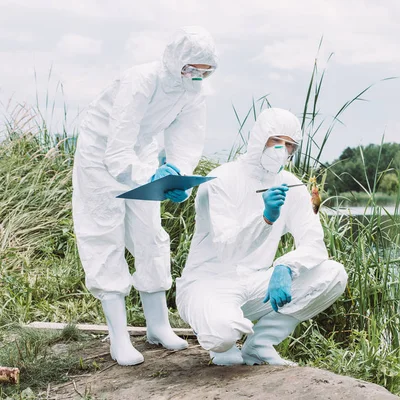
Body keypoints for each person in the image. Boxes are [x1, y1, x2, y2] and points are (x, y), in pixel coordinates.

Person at [72, 26, 218, 366]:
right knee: (103, 235)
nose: (197, 75)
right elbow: (117, 151)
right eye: (191, 68)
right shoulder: (141, 80)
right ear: (175, 60)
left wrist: (176, 175)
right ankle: (119, 338)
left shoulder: (194, 92)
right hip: (100, 153)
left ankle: (158, 326)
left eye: (205, 70)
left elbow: (186, 140)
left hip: (140, 152)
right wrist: (150, 175)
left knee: (150, 234)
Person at [176, 108, 348, 366]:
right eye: (275, 141)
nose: (282, 150)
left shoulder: (292, 185)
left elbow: (314, 242)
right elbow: (227, 249)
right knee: (222, 335)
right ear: (259, 139)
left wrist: (286, 266)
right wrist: (266, 217)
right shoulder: (220, 179)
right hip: (208, 283)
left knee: (333, 274)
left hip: (256, 283)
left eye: (289, 145)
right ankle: (224, 344)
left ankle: (260, 344)